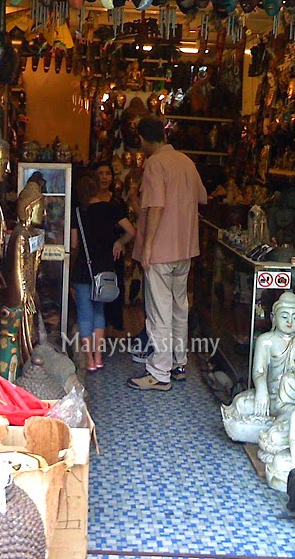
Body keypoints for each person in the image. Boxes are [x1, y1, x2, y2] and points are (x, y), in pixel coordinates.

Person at [127, 116, 208, 391]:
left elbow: (156, 206)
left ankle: (159, 373)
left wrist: (148, 246)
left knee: (159, 312)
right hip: (185, 248)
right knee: (179, 308)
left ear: (142, 139)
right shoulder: (186, 161)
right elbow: (202, 197)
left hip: (161, 251)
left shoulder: (155, 163)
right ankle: (178, 364)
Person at [71, 173, 135, 372]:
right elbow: (132, 231)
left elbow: (73, 244)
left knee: (84, 314)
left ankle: (89, 359)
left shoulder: (78, 213)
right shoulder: (111, 209)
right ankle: (99, 357)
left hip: (84, 268)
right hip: (105, 268)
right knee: (99, 313)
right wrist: (119, 242)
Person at [96, 162, 127, 336]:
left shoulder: (117, 202)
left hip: (114, 252)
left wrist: (121, 242)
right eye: (100, 173)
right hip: (95, 252)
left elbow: (128, 229)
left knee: (114, 287)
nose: (104, 177)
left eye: (107, 173)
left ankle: (112, 328)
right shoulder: (88, 201)